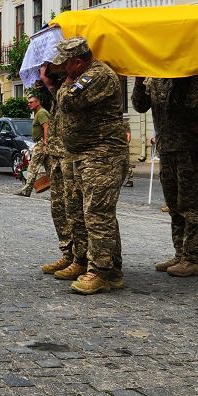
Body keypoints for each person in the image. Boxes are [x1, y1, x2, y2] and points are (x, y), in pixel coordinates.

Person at [52, 37, 128, 295]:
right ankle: (107, 268)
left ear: (78, 61)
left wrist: (66, 85)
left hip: (103, 154)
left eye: (65, 64)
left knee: (97, 213)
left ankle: (101, 272)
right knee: (90, 213)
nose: (61, 69)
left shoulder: (98, 75)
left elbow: (68, 102)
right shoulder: (80, 75)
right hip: (84, 154)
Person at [132, 74, 198, 278]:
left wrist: (178, 78)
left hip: (188, 148)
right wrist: (139, 81)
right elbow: (139, 106)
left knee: (188, 204)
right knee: (173, 204)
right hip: (165, 149)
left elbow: (190, 103)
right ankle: (180, 253)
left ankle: (191, 259)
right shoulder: (153, 79)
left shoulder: (190, 75)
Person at [38, 62, 88, 281]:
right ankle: (68, 254)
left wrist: (62, 84)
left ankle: (82, 259)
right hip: (58, 154)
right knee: (59, 208)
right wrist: (50, 85)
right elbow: (60, 108)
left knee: (76, 209)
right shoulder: (62, 86)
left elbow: (71, 106)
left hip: (72, 153)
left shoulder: (86, 79)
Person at [17, 94, 50, 197]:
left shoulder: (41, 113)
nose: (29, 104)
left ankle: (26, 190)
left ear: (38, 102)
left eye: (31, 102)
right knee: (50, 168)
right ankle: (59, 190)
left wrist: (45, 142)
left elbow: (46, 127)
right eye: (28, 102)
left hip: (41, 143)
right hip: (41, 143)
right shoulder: (38, 113)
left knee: (32, 167)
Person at [122, 117, 135, 188]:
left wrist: (125, 144)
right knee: (125, 163)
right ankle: (129, 180)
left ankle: (130, 180)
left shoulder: (123, 123)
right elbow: (128, 136)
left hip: (121, 146)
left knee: (126, 163)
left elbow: (128, 136)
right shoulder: (124, 122)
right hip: (121, 145)